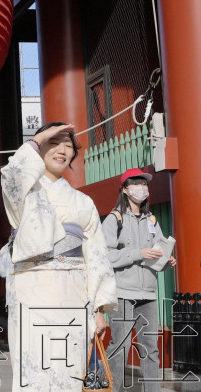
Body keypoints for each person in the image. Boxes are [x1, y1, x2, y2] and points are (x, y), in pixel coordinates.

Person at [1, 122, 117, 391]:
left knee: (69, 369)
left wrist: (98, 310)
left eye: (68, 145)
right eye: (54, 143)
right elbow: (13, 176)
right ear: (38, 149)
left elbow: (96, 256)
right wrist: (36, 139)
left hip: (73, 293)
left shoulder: (83, 202)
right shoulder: (25, 194)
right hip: (31, 290)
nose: (62, 150)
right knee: (33, 368)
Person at [102, 168, 176, 392]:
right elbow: (105, 256)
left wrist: (165, 261)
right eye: (136, 184)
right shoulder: (113, 219)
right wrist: (139, 253)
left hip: (148, 295)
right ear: (125, 190)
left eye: (144, 184)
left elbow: (156, 253)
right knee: (120, 347)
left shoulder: (151, 220)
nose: (141, 188)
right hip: (122, 293)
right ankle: (111, 388)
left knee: (151, 349)